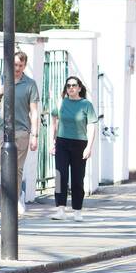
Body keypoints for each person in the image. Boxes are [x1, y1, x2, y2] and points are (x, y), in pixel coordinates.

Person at [0, 50, 41, 216]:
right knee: (4, 168)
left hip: (21, 131)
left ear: (24, 65)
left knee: (17, 169)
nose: (17, 68)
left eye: (20, 65)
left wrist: (34, 135)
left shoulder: (30, 84)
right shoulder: (2, 79)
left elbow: (34, 111)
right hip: (3, 130)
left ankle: (15, 198)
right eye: (14, 64)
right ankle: (10, 197)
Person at [50, 76, 99, 221]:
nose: (71, 88)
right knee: (60, 176)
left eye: (74, 85)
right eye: (68, 86)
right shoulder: (60, 103)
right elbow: (54, 123)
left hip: (80, 144)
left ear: (79, 88)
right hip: (62, 142)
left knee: (78, 178)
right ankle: (60, 209)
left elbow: (91, 126)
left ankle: (77, 210)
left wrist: (89, 147)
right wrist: (52, 142)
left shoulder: (86, 105)